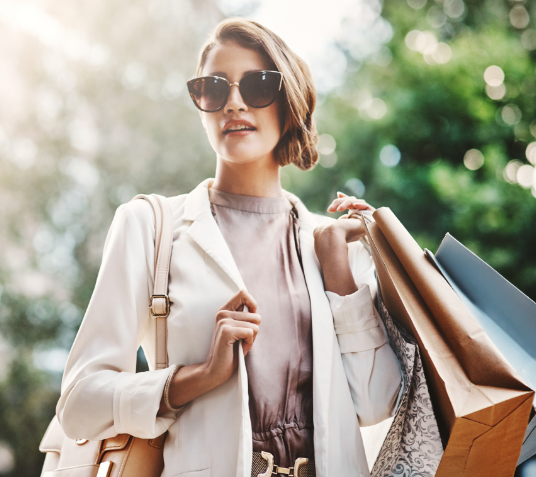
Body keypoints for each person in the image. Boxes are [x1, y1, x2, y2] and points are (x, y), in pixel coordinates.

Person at [56, 18, 402, 477]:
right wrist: (195, 378)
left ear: (287, 100)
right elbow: (79, 404)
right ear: (200, 103)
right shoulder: (149, 226)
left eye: (258, 85)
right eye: (213, 88)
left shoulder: (332, 243)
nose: (234, 102)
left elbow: (377, 403)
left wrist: (339, 269)